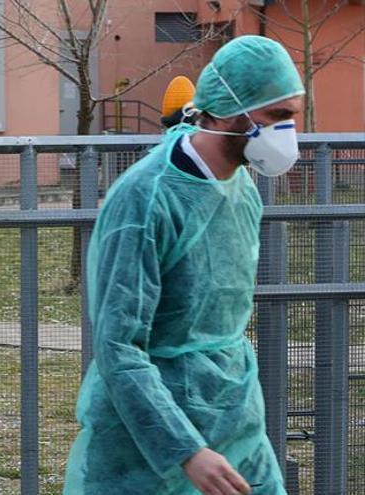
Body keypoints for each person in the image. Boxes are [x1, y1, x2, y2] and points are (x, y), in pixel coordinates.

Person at [63, 35, 304, 495]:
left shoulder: (241, 189)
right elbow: (119, 347)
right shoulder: (145, 199)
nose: (289, 130)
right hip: (144, 452)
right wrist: (184, 450)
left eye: (293, 115)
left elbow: (221, 325)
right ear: (230, 108)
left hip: (234, 419)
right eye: (278, 116)